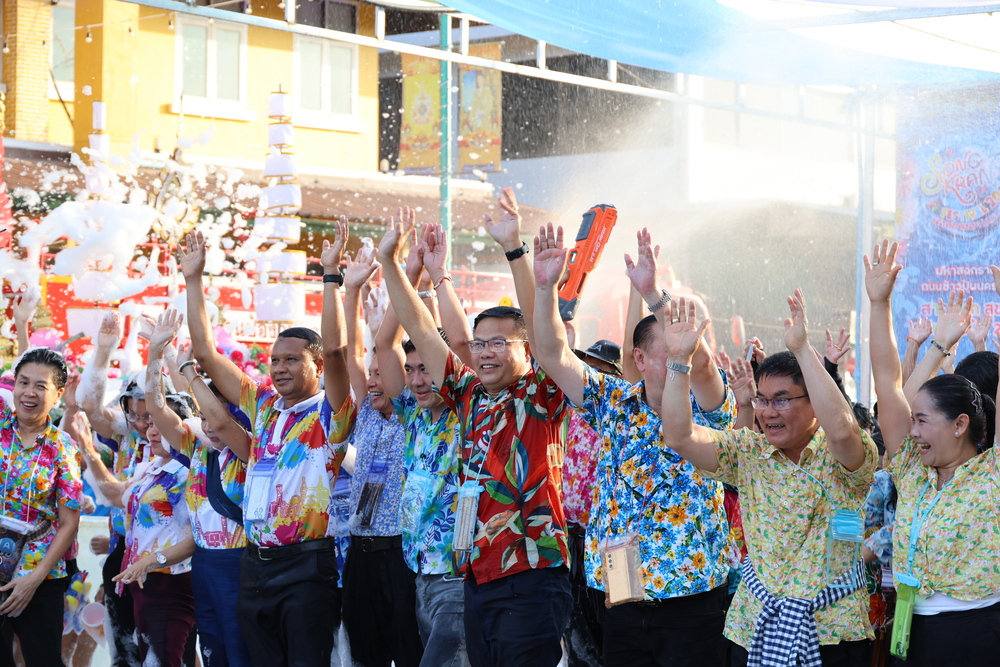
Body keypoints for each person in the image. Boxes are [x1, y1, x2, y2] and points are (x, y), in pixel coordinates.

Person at [377, 188, 572, 667]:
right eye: (480, 344)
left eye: (499, 344)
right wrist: (391, 265)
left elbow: (546, 339)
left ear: (525, 350)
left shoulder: (542, 393)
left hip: (531, 571)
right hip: (475, 574)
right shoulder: (467, 395)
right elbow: (422, 330)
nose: (485, 352)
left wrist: (514, 250)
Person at [531, 224, 736, 666]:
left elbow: (702, 369)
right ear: (639, 359)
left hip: (691, 598)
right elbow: (552, 355)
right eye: (669, 349)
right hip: (622, 594)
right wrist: (545, 289)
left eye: (686, 346)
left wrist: (654, 296)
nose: (681, 355)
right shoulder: (612, 400)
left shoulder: (707, 406)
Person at [659, 289, 877, 667]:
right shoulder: (748, 452)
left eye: (782, 400)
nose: (768, 412)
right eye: (762, 399)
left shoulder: (844, 455)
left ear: (814, 403)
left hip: (831, 633)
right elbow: (680, 437)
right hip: (753, 629)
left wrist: (802, 349)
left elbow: (843, 430)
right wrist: (679, 362)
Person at [182, 228, 347, 667]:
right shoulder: (264, 405)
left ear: (316, 366)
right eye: (274, 360)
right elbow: (205, 352)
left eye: (292, 359)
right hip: (254, 564)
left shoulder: (331, 411)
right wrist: (193, 279)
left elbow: (337, 350)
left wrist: (331, 275)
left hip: (307, 566)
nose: (279, 368)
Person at [865, 240, 1000, 666]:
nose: (912, 431)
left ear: (960, 424)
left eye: (923, 421)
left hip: (976, 632)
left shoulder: (992, 472)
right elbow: (888, 385)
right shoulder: (911, 470)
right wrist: (880, 304)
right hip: (911, 630)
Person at [374, 217, 474, 667]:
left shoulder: (464, 409)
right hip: (419, 572)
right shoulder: (412, 414)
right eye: (411, 370)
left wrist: (437, 276)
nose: (417, 380)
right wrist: (402, 270)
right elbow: (385, 345)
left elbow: (459, 344)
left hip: (458, 575)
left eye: (427, 370)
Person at [330, 224, 423, 667]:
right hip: (361, 552)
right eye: (369, 375)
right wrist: (349, 292)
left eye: (380, 373)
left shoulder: (411, 415)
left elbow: (387, 343)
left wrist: (409, 273)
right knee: (364, 652)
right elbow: (349, 354)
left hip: (400, 554)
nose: (372, 380)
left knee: (407, 650)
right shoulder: (365, 411)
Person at [147, 309, 252, 667]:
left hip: (239, 563)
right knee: (212, 652)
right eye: (202, 418)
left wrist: (186, 367)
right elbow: (157, 408)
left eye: (215, 417)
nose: (208, 426)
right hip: (203, 562)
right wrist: (155, 354)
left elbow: (221, 422)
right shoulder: (197, 450)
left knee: (241, 652)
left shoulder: (250, 450)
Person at [74, 389, 196, 667]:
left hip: (169, 582)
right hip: (141, 580)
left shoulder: (190, 471)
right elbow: (116, 495)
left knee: (164, 659)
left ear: (183, 428)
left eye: (160, 424)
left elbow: (195, 539)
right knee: (137, 658)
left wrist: (152, 560)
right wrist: (88, 449)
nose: (151, 431)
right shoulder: (152, 469)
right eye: (151, 423)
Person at [0, 348, 82, 667]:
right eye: (23, 383)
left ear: (58, 394)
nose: (29, 393)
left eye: (40, 386)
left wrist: (34, 579)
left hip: (39, 575)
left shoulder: (64, 448)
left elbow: (69, 523)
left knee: (43, 660)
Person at [76, 312, 147, 667]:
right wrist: (104, 351)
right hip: (121, 553)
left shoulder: (178, 442)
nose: (142, 423)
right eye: (134, 414)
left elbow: (122, 496)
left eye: (149, 415)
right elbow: (90, 408)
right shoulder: (126, 434)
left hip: (163, 560)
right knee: (122, 650)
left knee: (163, 649)